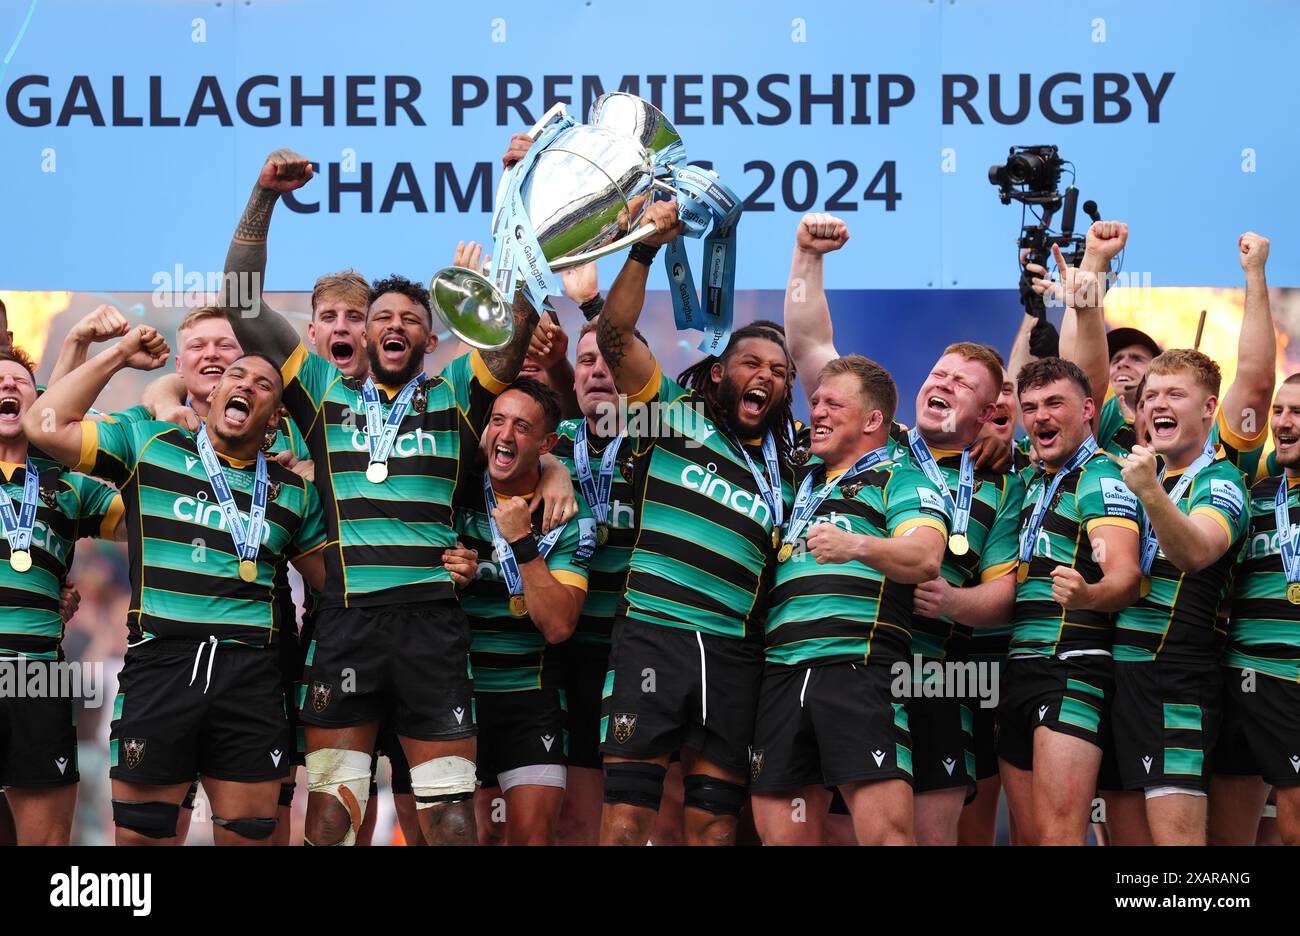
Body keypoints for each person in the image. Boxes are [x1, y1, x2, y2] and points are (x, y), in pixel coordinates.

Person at [219, 147, 573, 846]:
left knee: (449, 822)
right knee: (330, 820)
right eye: (381, 316)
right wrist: (263, 197)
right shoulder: (320, 392)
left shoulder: (459, 392)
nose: (393, 326)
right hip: (347, 622)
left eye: (411, 318)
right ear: (363, 329)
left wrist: (522, 193)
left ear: (432, 334)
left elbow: (519, 320)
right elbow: (239, 300)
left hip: (433, 631)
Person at [26, 326, 330, 846]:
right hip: (162, 664)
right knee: (143, 841)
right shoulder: (150, 445)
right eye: (237, 376)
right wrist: (119, 354)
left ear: (277, 419)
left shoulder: (294, 490)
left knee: (254, 837)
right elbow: (44, 424)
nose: (248, 386)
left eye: (264, 385)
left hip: (251, 673)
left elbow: (337, 586)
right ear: (212, 395)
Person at [784, 213, 1024, 845]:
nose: (942, 384)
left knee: (928, 838)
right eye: (939, 375)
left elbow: (1006, 596)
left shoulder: (1005, 482)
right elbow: (811, 350)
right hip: (846, 669)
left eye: (962, 384)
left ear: (990, 413)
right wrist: (808, 257)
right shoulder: (878, 441)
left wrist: (956, 601)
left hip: (934, 674)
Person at [596, 199, 796, 846]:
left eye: (779, 372)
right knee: (627, 825)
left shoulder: (791, 472)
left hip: (735, 654)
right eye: (751, 364)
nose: (764, 375)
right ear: (719, 374)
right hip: (653, 635)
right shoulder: (672, 417)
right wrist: (646, 246)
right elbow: (613, 338)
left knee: (713, 831)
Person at [750, 354, 948, 844]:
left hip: (856, 670)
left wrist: (854, 545)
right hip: (779, 674)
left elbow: (925, 557)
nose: (816, 411)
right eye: (814, 402)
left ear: (873, 420)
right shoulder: (797, 482)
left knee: (887, 837)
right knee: (781, 836)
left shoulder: (902, 480)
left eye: (833, 404)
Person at [1107, 350, 1251, 844]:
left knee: (1178, 846)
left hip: (1178, 677)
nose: (1156, 405)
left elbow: (1197, 551)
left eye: (1174, 394)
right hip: (1118, 673)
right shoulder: (1144, 476)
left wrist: (1150, 493)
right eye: (1148, 397)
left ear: (1210, 407)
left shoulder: (1222, 480)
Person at [1000, 357, 1143, 845]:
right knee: (1028, 836)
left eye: (1054, 403)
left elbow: (1126, 577)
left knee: (1059, 835)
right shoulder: (1031, 476)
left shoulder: (1101, 477)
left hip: (1072, 670)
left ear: (1087, 410)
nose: (1040, 416)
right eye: (1031, 407)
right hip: (1017, 669)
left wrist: (1088, 594)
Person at [459, 379, 595, 844]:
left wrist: (521, 541)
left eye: (522, 427)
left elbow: (558, 625)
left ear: (546, 443)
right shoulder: (454, 491)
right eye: (497, 421)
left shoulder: (569, 515)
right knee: (466, 836)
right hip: (454, 696)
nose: (505, 434)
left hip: (530, 700)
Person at [0, 346, 122, 844]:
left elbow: (152, 514)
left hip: (37, 676)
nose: (8, 386)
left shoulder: (70, 488)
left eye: (19, 381)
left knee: (47, 841)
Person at [1211, 375, 1300, 845]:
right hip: (1238, 681)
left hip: (1293, 684)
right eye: (1279, 412)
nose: (1283, 423)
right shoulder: (1255, 498)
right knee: (1227, 842)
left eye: (1298, 413)